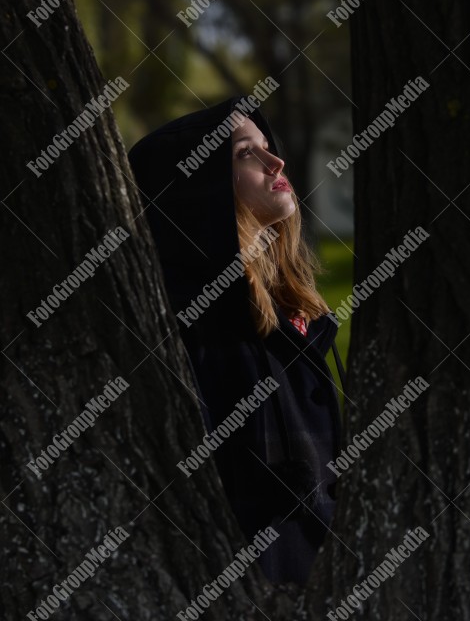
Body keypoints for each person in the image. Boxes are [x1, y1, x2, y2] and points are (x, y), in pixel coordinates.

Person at [128, 95, 345, 586]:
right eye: (248, 152)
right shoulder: (192, 326)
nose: (276, 162)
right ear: (196, 188)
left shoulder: (294, 311)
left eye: (268, 146)